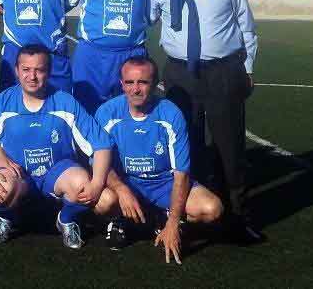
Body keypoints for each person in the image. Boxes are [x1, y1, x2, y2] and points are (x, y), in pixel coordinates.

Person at [149, 0, 262, 243]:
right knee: (186, 146)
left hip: (223, 71)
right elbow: (149, 17)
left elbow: (246, 25)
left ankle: (237, 220)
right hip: (179, 73)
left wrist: (247, 69)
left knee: (229, 149)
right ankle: (190, 214)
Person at [0, 45, 112, 248]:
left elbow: (101, 144)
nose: (32, 76)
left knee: (82, 182)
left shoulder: (65, 102)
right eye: (26, 70)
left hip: (57, 173)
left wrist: (97, 183)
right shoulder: (3, 103)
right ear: (17, 70)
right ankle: (8, 217)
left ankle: (66, 219)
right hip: (17, 173)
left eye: (39, 70)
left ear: (49, 71)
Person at [94, 57, 223, 262]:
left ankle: (164, 216)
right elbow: (99, 163)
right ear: (122, 84)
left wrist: (174, 221)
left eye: (143, 82)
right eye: (129, 82)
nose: (135, 89)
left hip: (164, 183)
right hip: (126, 182)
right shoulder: (107, 113)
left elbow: (181, 174)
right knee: (101, 200)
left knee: (211, 209)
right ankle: (119, 219)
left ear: (155, 84)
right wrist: (121, 189)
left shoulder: (170, 114)